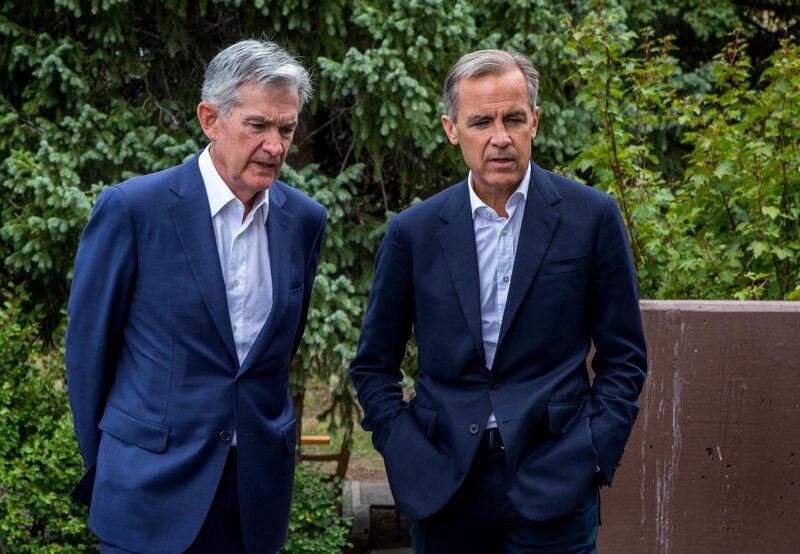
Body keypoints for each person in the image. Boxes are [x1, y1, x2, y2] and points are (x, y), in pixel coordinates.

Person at [349, 49, 647, 553]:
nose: (500, 137)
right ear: (451, 128)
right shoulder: (413, 233)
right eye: (481, 121)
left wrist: (592, 452)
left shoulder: (590, 218)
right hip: (445, 484)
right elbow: (374, 365)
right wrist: (404, 450)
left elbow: (625, 358)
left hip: (555, 478)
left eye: (512, 118)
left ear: (535, 121)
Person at [66, 39, 325, 553]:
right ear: (211, 119)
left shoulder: (305, 220)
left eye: (287, 129)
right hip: (147, 496)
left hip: (254, 502)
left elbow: (275, 353)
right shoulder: (133, 209)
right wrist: (117, 463)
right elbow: (88, 355)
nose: (275, 146)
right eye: (258, 126)